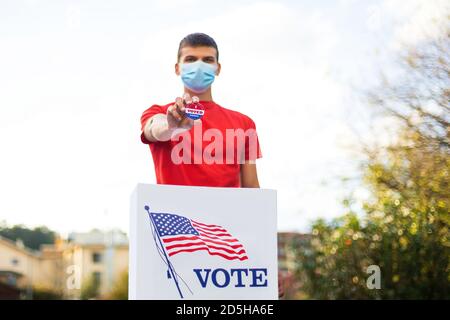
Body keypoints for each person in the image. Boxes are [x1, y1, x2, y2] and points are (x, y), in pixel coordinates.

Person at [140, 32, 283, 297]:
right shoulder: (159, 113)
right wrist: (172, 124)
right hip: (177, 248)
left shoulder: (243, 124)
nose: (199, 65)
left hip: (230, 248)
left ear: (218, 68)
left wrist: (267, 261)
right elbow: (154, 130)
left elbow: (253, 190)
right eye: (191, 59)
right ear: (177, 67)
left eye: (208, 60)